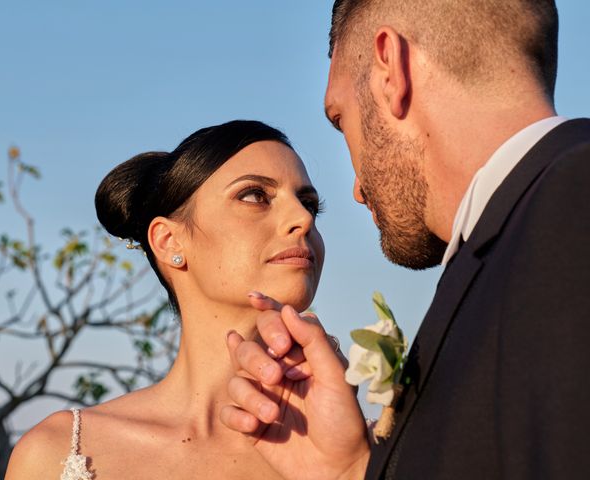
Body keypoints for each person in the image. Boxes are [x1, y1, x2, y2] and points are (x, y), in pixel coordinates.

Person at [222, 1, 590, 478]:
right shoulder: (514, 247)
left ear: (390, 69)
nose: (356, 189)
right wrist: (355, 469)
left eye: (340, 118)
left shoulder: (571, 209)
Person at [4, 120, 339, 479]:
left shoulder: (350, 447)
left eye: (308, 203)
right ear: (168, 241)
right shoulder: (59, 452)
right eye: (255, 195)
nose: (302, 218)